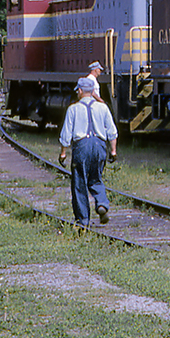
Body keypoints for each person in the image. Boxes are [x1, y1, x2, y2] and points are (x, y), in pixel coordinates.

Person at [58, 77, 118, 227]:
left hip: (81, 146)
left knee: (79, 183)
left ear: (79, 91)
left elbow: (66, 134)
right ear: (92, 91)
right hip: (99, 145)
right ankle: (102, 204)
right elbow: (112, 132)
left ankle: (83, 220)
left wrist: (63, 153)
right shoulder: (103, 107)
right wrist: (113, 150)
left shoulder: (73, 109)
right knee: (96, 178)